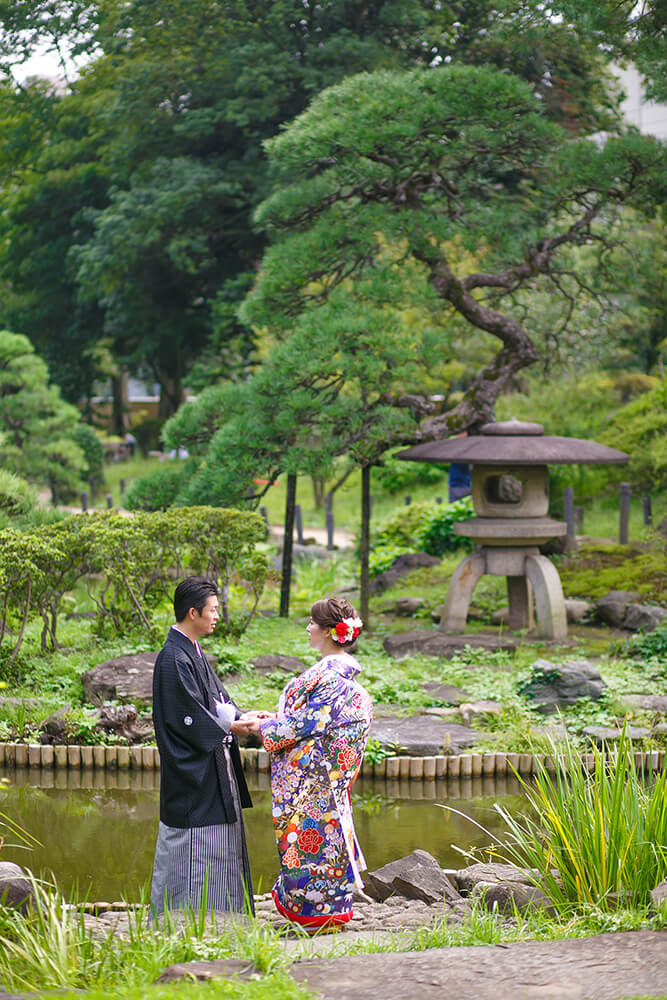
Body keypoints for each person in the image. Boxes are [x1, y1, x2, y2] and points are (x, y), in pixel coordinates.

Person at [246, 596, 373, 930]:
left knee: (313, 844)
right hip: (328, 776)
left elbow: (306, 724)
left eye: (313, 623)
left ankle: (319, 915)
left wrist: (260, 726)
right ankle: (327, 913)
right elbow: (313, 720)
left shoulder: (331, 679)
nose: (308, 627)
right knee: (326, 842)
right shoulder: (342, 678)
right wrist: (274, 719)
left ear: (330, 632)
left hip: (316, 779)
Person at [149, 576, 256, 918]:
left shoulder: (191, 650)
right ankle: (186, 924)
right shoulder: (173, 658)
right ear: (192, 612)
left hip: (212, 770)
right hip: (193, 781)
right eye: (212, 610)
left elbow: (215, 701)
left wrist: (241, 715)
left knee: (220, 847)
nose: (217, 616)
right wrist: (229, 725)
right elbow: (187, 718)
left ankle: (225, 920)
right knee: (193, 851)